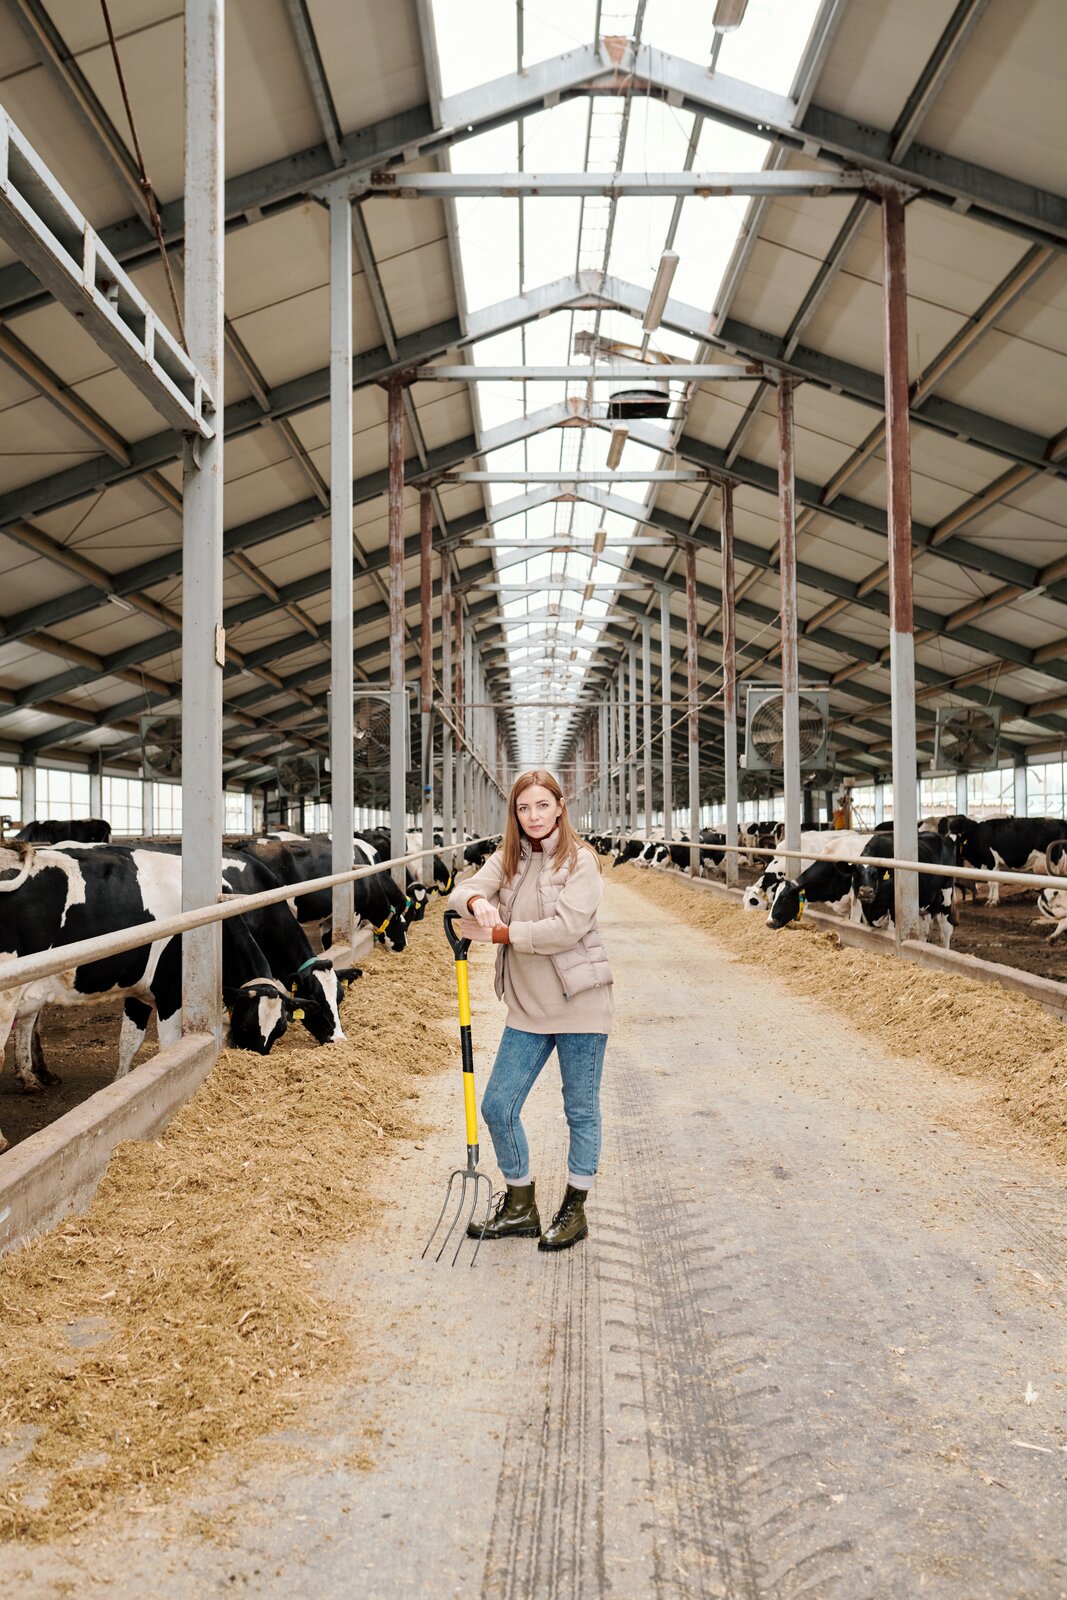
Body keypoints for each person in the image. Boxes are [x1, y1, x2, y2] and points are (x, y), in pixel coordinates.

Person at [448, 768, 613, 1252]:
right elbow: (461, 888)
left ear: (560, 807)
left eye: (543, 805)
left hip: (580, 1004)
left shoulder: (582, 862)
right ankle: (521, 1204)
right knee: (498, 1105)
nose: (534, 816)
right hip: (526, 1007)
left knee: (580, 1110)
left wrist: (502, 933)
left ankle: (574, 1207)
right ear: (514, 813)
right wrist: (478, 901)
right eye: (524, 808)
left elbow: (564, 929)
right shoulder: (511, 858)